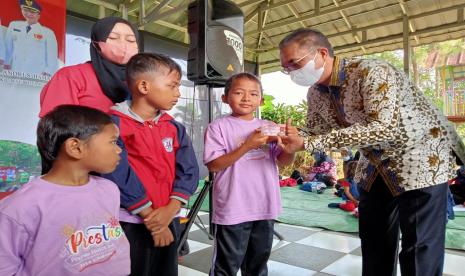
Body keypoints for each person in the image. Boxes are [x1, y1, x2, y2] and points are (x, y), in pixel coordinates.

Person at [278, 28, 465, 275]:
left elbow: (382, 128)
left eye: (295, 63)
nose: (291, 71)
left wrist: (309, 143)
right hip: (375, 160)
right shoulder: (315, 92)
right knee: (374, 235)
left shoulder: (371, 71)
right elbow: (315, 130)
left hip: (421, 152)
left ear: (321, 53)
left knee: (419, 245)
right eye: (286, 67)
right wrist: (284, 132)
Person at [0, 105, 130, 275]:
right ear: (76, 148)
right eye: (113, 141)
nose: (119, 149)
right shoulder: (20, 207)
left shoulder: (109, 190)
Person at [102, 53, 199, 276]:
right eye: (172, 86)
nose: (178, 93)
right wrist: (152, 218)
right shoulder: (112, 124)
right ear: (144, 86)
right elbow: (115, 172)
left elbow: (189, 170)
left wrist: (170, 210)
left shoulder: (174, 127)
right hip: (129, 222)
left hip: (169, 217)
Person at [204, 72, 296, 276]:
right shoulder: (218, 127)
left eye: (253, 94)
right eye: (238, 92)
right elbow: (213, 165)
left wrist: (289, 149)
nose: (246, 98)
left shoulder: (269, 128)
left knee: (257, 266)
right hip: (233, 208)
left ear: (261, 100)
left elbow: (283, 161)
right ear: (225, 98)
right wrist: (247, 145)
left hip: (265, 206)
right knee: (226, 267)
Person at [39, 16, 139, 117]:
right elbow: (55, 125)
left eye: (130, 40)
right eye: (113, 38)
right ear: (96, 43)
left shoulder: (143, 80)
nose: (123, 44)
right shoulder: (70, 76)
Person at [4, 0, 57, 75]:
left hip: (37, 74)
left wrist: (47, 73)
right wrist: (5, 65)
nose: (28, 14)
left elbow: (52, 57)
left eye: (32, 12)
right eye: (25, 10)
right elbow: (8, 48)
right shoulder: (14, 25)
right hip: (16, 71)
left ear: (38, 15)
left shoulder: (48, 33)